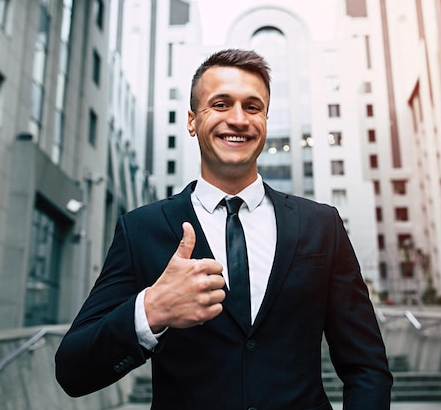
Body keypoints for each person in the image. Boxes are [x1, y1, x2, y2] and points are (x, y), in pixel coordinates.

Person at [55, 48, 393, 409]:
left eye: (252, 107)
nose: (238, 119)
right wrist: (151, 310)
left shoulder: (321, 225)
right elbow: (73, 370)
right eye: (220, 104)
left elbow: (366, 366)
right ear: (191, 120)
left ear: (265, 118)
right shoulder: (141, 229)